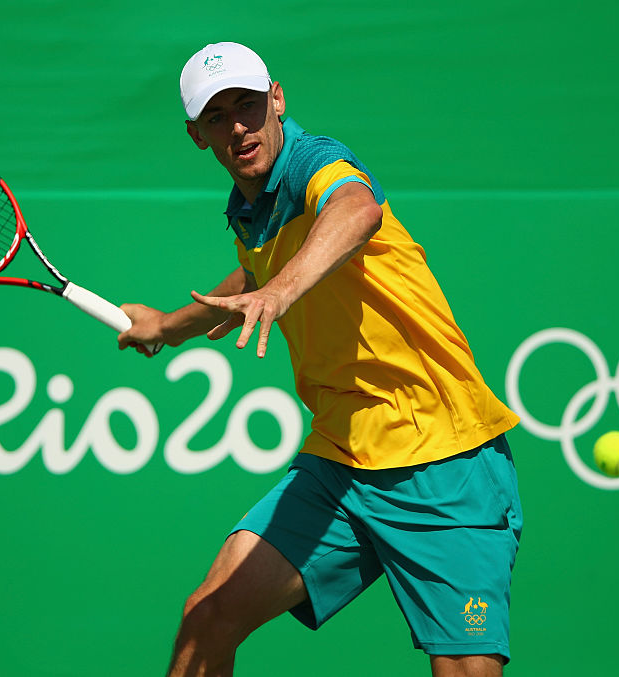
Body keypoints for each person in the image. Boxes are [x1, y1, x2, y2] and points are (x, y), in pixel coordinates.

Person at [118, 42, 523, 677]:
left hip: (443, 459)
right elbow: (254, 275)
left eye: (249, 106)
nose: (240, 128)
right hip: (342, 458)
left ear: (276, 99)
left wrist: (279, 294)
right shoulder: (251, 207)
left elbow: (355, 209)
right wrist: (169, 326)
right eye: (218, 117)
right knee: (208, 618)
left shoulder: (317, 163)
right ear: (198, 135)